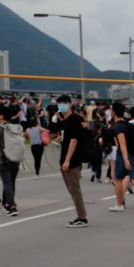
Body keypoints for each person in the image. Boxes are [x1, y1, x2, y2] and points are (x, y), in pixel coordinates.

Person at [55, 95, 89, 227]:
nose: (61, 106)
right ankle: (80, 216)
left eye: (64, 103)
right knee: (72, 190)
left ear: (70, 104)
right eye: (59, 104)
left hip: (72, 160)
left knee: (75, 189)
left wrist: (67, 160)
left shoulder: (74, 119)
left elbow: (74, 140)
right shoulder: (66, 120)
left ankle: (82, 217)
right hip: (65, 159)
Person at [0, 105, 21, 216]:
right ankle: (9, 203)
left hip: (3, 159)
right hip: (15, 158)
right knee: (12, 183)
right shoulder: (16, 127)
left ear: (1, 115)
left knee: (6, 183)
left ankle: (11, 206)